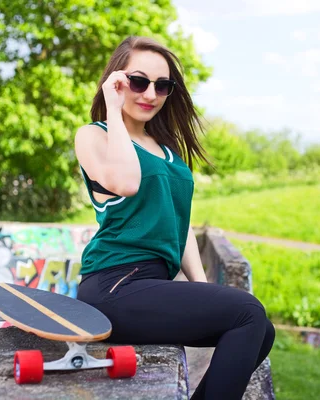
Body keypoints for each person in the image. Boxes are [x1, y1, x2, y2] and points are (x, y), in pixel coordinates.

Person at [74, 36, 275, 400]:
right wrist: (113, 109)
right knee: (247, 311)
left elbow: (177, 225)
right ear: (116, 81)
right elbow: (127, 182)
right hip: (112, 284)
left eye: (162, 85)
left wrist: (201, 287)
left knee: (261, 328)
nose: (150, 93)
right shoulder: (94, 136)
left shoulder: (166, 150)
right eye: (138, 81)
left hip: (150, 284)